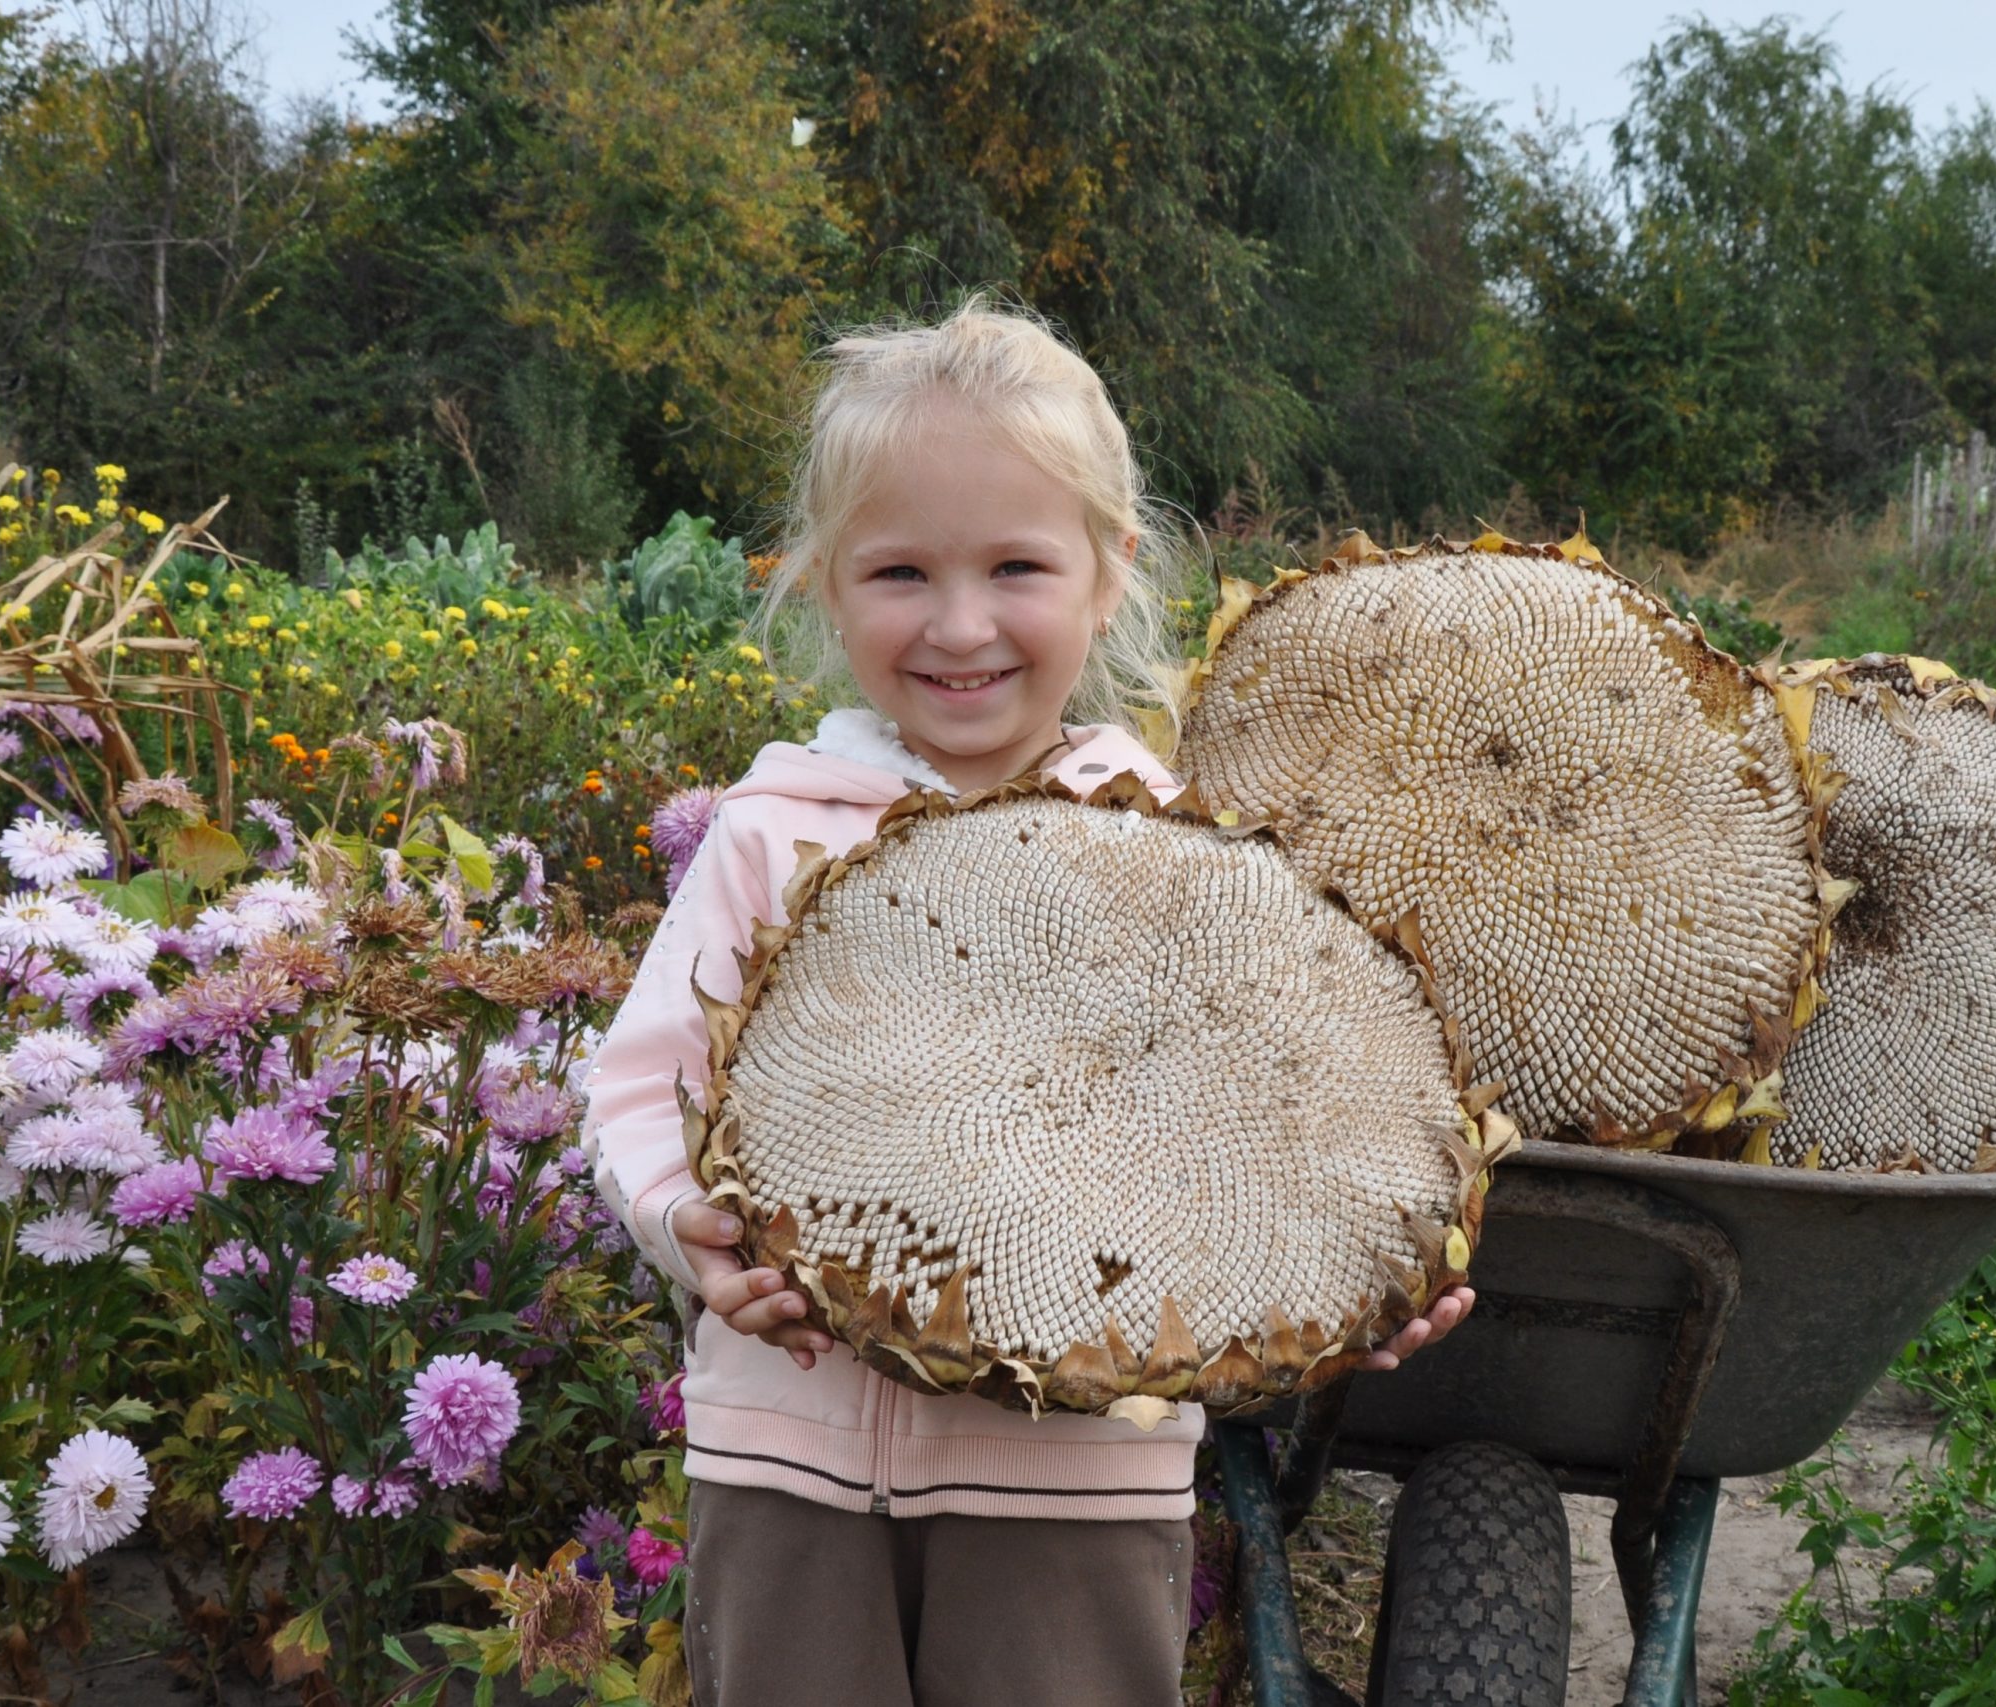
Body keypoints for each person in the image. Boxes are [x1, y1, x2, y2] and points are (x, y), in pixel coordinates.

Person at [585, 297, 1472, 1707]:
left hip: (1080, 1477)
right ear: (822, 582)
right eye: (898, 574)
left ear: (1110, 573)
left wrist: (1359, 1273)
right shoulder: (773, 834)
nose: (959, 626)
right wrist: (683, 1227)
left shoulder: (1182, 862)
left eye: (1015, 566)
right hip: (791, 1459)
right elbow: (642, 1086)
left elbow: (1269, 1127)